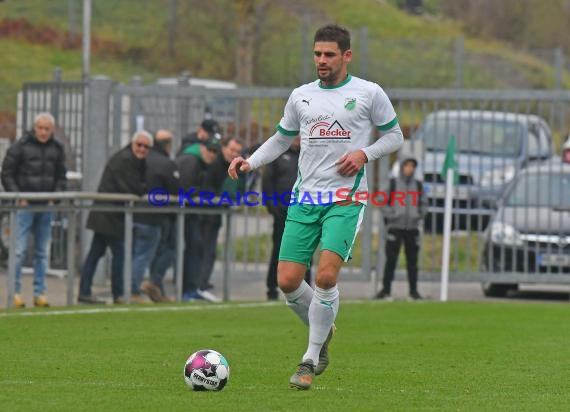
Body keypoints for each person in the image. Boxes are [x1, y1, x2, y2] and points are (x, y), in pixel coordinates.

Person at [228, 24, 403, 389]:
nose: (321, 61)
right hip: (304, 198)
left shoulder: (368, 93)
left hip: (345, 198)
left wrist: (363, 153)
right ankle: (323, 326)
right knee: (288, 282)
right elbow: (281, 138)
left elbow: (395, 135)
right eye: (317, 54)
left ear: (346, 56)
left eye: (329, 55)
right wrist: (250, 162)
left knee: (324, 277)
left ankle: (308, 360)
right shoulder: (301, 96)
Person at [78, 131, 152, 304]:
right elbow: (132, 187)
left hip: (110, 215)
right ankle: (117, 293)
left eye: (146, 146)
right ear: (132, 144)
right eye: (139, 145)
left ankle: (86, 291)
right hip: (109, 216)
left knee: (96, 253)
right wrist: (142, 189)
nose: (142, 149)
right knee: (119, 254)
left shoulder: (133, 160)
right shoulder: (124, 160)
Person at [1, 112, 67, 308]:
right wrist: (17, 195)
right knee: (19, 251)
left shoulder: (57, 149)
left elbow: (61, 177)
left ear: (52, 130)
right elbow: (7, 173)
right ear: (34, 127)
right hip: (24, 206)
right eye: (40, 128)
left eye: (47, 129)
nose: (43, 132)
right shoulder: (20, 146)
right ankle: (15, 292)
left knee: (42, 252)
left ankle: (40, 293)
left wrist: (54, 197)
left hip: (45, 206)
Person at [262, 136, 311, 301]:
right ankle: (272, 287)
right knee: (279, 249)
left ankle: (305, 286)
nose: (298, 138)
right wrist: (273, 208)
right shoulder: (278, 155)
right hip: (282, 213)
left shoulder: (309, 155)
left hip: (305, 212)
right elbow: (267, 183)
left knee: (306, 250)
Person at [135, 129, 180, 303]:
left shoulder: (143, 159)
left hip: (138, 212)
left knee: (143, 253)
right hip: (160, 215)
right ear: (168, 144)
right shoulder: (166, 164)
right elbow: (176, 190)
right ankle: (145, 285)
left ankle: (155, 288)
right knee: (165, 250)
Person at [199, 136, 244, 300]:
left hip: (214, 215)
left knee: (209, 251)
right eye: (232, 150)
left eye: (237, 151)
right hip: (203, 215)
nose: (234, 154)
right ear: (223, 148)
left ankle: (202, 283)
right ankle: (199, 285)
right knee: (203, 251)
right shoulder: (215, 165)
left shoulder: (233, 167)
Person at [375, 154, 426, 301]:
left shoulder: (418, 185)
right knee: (391, 260)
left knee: (412, 261)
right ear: (402, 167)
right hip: (395, 227)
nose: (409, 169)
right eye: (407, 165)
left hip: (412, 228)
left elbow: (424, 203)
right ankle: (386, 290)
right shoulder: (393, 184)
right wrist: (392, 214)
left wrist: (419, 214)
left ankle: (413, 292)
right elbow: (381, 200)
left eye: (412, 166)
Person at [176, 137, 220, 301]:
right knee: (190, 249)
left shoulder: (196, 161)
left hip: (189, 212)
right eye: (210, 150)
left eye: (216, 151)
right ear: (202, 148)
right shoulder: (192, 161)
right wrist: (202, 195)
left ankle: (190, 288)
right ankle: (186, 289)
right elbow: (186, 188)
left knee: (195, 248)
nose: (212, 154)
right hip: (185, 212)